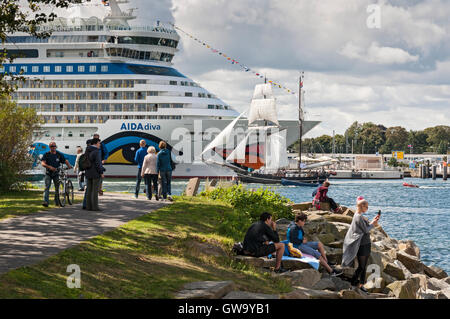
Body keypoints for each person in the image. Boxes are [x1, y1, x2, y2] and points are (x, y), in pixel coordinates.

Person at [341, 196, 380, 293]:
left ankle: (361, 285)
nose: (367, 208)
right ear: (361, 206)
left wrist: (372, 222)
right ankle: (353, 283)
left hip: (366, 243)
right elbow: (366, 230)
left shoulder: (360, 215)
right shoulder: (358, 216)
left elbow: (365, 227)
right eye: (366, 206)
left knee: (364, 266)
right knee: (361, 267)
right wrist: (373, 224)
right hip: (361, 244)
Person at [41, 142, 72, 207]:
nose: (54, 147)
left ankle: (57, 201)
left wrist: (69, 166)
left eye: (55, 146)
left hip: (56, 173)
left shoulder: (58, 154)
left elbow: (65, 160)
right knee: (47, 187)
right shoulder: (46, 154)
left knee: (57, 188)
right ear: (49, 147)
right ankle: (46, 202)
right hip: (48, 173)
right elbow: (43, 163)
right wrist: (49, 167)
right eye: (52, 146)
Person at [84, 137, 105, 211]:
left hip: (88, 172)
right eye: (99, 143)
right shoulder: (97, 151)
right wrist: (101, 172)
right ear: (95, 143)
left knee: (89, 190)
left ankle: (88, 206)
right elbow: (98, 163)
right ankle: (95, 207)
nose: (100, 145)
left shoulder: (87, 150)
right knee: (95, 191)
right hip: (95, 173)